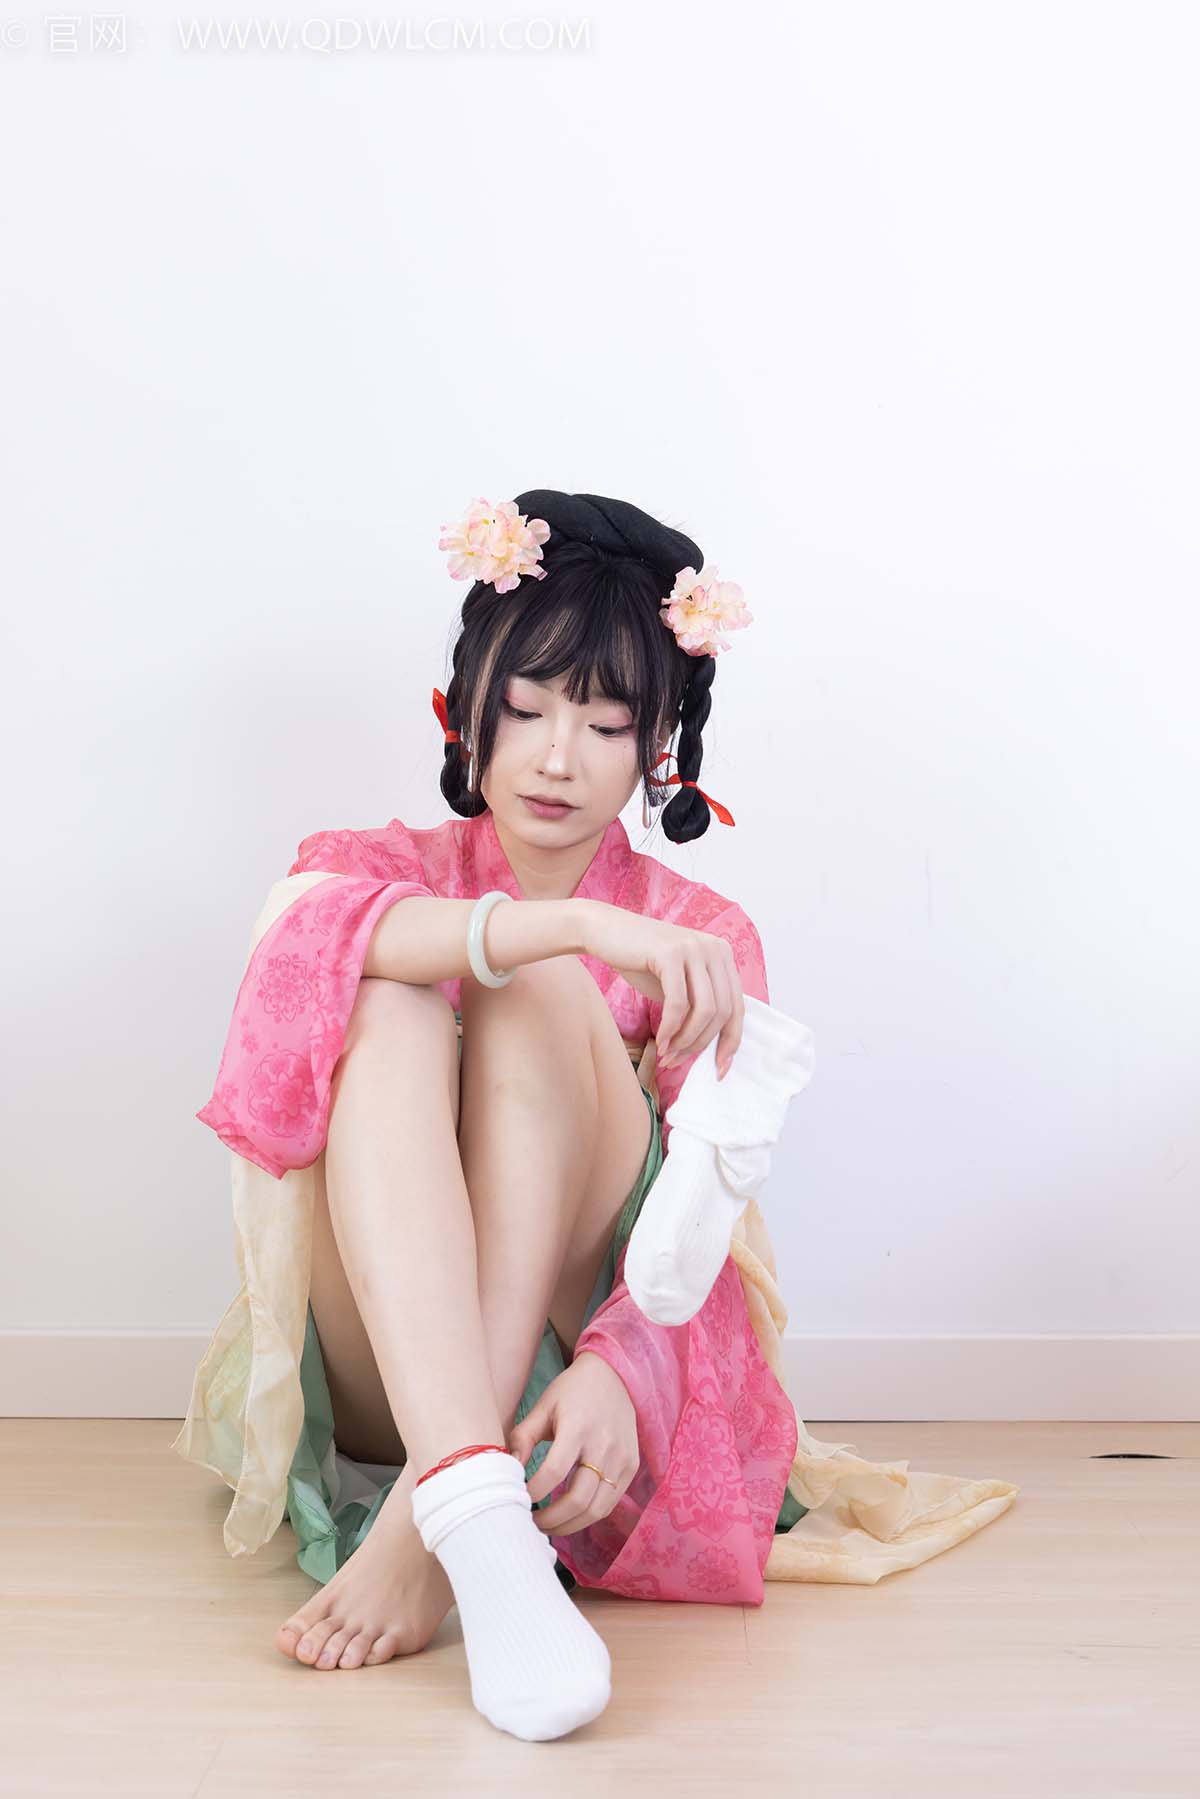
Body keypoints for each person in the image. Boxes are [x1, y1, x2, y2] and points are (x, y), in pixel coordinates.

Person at [174, 490, 1019, 1742]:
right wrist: (569, 921)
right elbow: (295, 954)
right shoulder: (378, 864)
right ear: (463, 710)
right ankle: (469, 1501)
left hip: (576, 1383)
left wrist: (625, 1369)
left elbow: (704, 1211)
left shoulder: (706, 937)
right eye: (525, 709)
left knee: (532, 991)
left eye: (608, 722)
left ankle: (437, 1516)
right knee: (396, 978)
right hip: (389, 1365)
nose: (558, 757)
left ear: (657, 744)